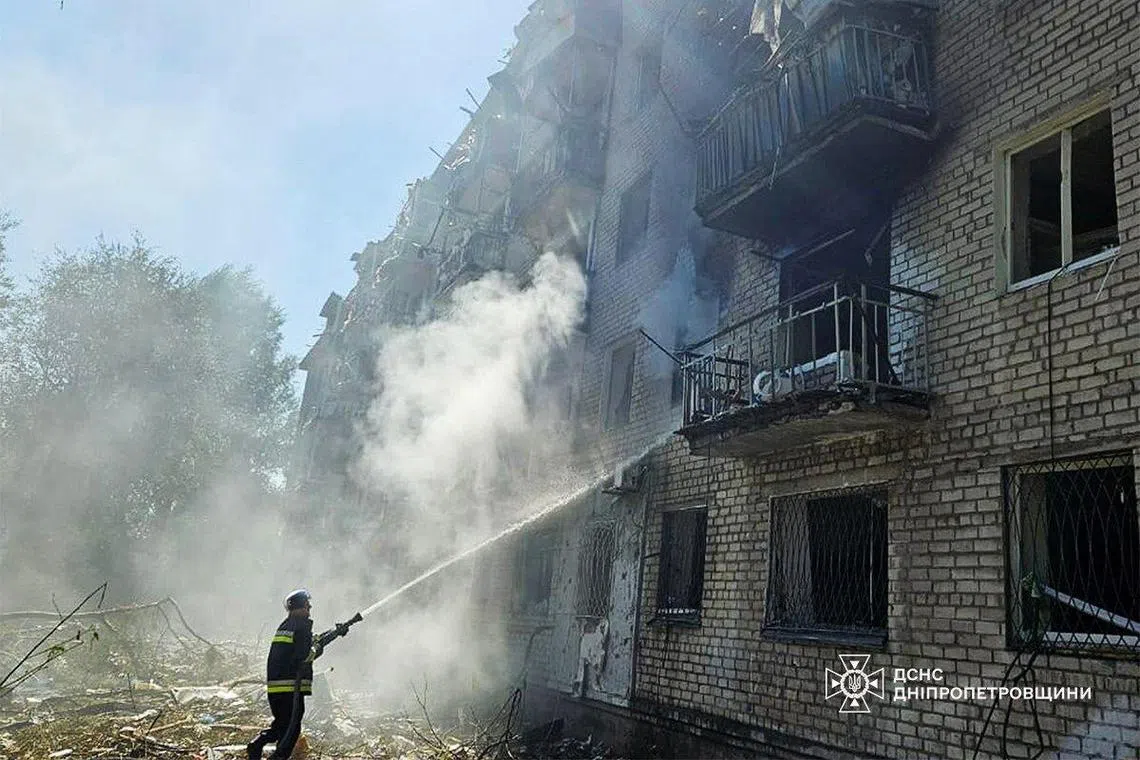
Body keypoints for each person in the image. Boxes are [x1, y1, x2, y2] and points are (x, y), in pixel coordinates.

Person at [247, 589, 349, 760]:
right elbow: (305, 655)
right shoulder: (301, 626)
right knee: (292, 729)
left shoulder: (287, 625)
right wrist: (318, 648)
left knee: (281, 725)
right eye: (306, 604)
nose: (309, 607)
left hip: (277, 688)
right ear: (299, 607)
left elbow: (309, 643)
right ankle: (277, 758)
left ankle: (256, 744)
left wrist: (335, 632)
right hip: (291, 688)